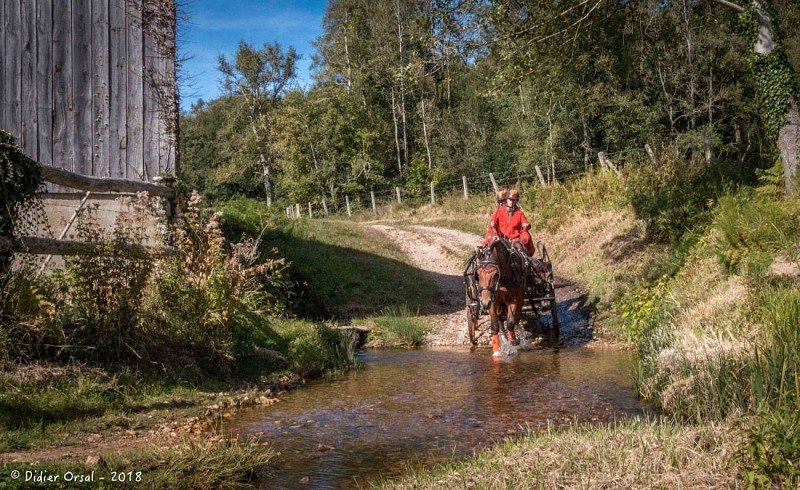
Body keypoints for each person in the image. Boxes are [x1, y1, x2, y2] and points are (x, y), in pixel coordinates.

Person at [481, 188, 535, 257]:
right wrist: (493, 224)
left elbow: (524, 223)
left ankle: (524, 262)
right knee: (492, 251)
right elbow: (491, 226)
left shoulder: (519, 213)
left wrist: (526, 225)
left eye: (513, 200)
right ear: (506, 199)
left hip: (515, 240)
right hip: (501, 239)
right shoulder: (498, 212)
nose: (511, 202)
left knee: (520, 250)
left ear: (516, 201)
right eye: (510, 199)